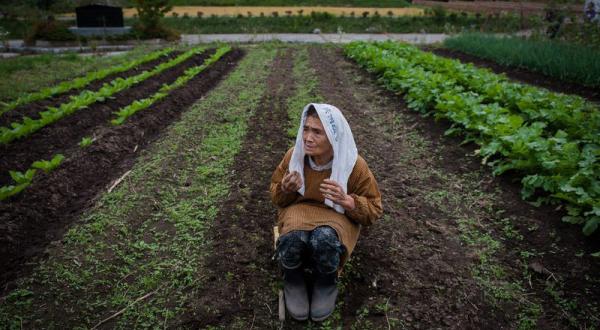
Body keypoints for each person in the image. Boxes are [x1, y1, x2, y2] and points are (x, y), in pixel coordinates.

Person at [270, 103, 383, 322]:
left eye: (317, 132)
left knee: (324, 238)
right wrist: (286, 189)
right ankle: (293, 277)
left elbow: (374, 209)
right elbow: (276, 197)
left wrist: (348, 201)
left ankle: (326, 280)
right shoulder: (295, 157)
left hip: (335, 216)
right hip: (300, 211)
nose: (308, 138)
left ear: (333, 136)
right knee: (293, 238)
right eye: (306, 129)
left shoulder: (354, 166)